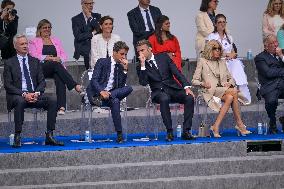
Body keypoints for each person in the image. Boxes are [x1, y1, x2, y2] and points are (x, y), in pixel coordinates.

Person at [3, 34, 64, 148]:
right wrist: (24, 94)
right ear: (15, 46)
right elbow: (8, 85)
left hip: (34, 95)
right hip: (18, 95)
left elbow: (42, 82)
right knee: (20, 101)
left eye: (26, 43)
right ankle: (17, 135)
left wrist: (36, 93)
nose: (25, 46)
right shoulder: (9, 62)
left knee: (53, 100)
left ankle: (49, 135)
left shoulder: (35, 61)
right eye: (22, 44)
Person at [136, 39, 195, 141]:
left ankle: (186, 131)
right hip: (158, 92)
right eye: (138, 51)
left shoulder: (163, 57)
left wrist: (186, 86)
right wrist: (142, 65)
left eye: (142, 50)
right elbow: (143, 82)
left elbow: (176, 72)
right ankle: (169, 132)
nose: (140, 53)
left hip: (173, 88)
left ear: (150, 49)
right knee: (164, 98)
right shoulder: (140, 66)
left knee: (189, 98)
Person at [192, 40, 251, 138]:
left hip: (222, 89)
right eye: (215, 49)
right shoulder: (202, 61)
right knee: (234, 92)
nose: (218, 51)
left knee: (230, 97)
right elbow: (194, 80)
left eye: (219, 49)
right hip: (209, 90)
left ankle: (216, 126)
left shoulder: (222, 61)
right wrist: (203, 83)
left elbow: (231, 78)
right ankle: (240, 124)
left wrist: (229, 83)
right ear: (209, 49)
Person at [29, 19, 82, 115]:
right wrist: (47, 58)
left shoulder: (56, 40)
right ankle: (74, 85)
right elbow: (33, 55)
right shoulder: (34, 41)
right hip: (40, 68)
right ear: (39, 29)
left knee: (59, 77)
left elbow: (64, 55)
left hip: (55, 67)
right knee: (54, 64)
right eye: (44, 27)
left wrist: (60, 59)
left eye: (49, 27)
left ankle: (61, 107)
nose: (47, 29)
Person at [86, 41, 133, 143]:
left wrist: (125, 70)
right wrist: (101, 91)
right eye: (122, 54)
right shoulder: (102, 62)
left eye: (125, 54)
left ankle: (119, 134)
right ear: (114, 52)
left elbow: (120, 87)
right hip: (97, 96)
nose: (124, 56)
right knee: (116, 101)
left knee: (129, 88)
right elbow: (94, 80)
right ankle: (119, 134)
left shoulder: (120, 66)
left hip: (109, 96)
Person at [207, 14, 251, 104]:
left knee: (237, 64)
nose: (222, 24)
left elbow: (233, 52)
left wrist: (233, 55)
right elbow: (209, 53)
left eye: (224, 22)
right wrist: (226, 54)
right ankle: (219, 96)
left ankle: (244, 95)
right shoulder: (211, 37)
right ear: (215, 24)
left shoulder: (229, 37)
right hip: (217, 62)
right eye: (219, 22)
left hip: (229, 62)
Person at [254, 34, 284, 134]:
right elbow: (268, 73)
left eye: (276, 42)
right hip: (269, 86)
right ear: (266, 46)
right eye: (272, 43)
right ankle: (272, 121)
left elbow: (273, 71)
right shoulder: (260, 58)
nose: (276, 45)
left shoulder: (281, 55)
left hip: (282, 86)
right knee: (271, 100)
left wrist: (281, 56)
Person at [72, 0, 101, 70]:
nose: (91, 5)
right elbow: (78, 37)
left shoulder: (97, 16)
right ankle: (89, 70)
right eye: (88, 3)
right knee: (89, 50)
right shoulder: (75, 19)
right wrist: (92, 33)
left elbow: (99, 30)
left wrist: (90, 18)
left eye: (92, 3)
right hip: (83, 46)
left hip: (95, 45)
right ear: (82, 4)